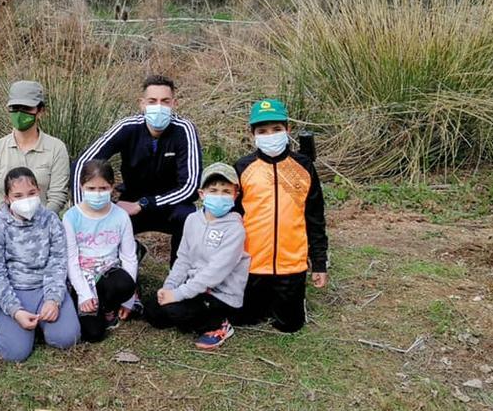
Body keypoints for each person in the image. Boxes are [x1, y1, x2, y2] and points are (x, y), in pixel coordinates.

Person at [73, 75, 201, 267]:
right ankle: (121, 275)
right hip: (130, 201)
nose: (158, 107)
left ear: (175, 103)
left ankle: (179, 282)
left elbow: (190, 186)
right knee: (105, 219)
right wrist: (82, 211)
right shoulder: (127, 127)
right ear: (142, 104)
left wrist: (144, 204)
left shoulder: (184, 130)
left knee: (191, 218)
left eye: (165, 101)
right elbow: (83, 162)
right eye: (152, 101)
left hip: (170, 204)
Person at [233, 99, 329, 333]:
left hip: (291, 265)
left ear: (287, 129)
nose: (270, 135)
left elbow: (315, 218)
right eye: (262, 131)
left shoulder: (304, 166)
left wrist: (318, 264)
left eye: (276, 129)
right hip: (251, 265)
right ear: (252, 134)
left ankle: (294, 301)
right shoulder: (243, 167)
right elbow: (232, 217)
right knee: (244, 320)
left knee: (290, 325)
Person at [144, 162, 250, 349]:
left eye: (226, 191)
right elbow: (183, 258)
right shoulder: (192, 220)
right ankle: (190, 311)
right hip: (194, 288)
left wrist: (177, 295)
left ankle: (220, 324)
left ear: (235, 195)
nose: (219, 196)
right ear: (202, 194)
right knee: (153, 310)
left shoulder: (235, 229)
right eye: (213, 190)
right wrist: (169, 287)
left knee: (175, 311)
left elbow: (215, 273)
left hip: (220, 294)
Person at [0, 167, 80, 362]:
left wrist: (53, 299)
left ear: (39, 192)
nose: (25, 200)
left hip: (44, 288)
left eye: (31, 193)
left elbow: (58, 261)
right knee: (15, 352)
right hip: (14, 290)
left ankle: (40, 326)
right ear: (7, 198)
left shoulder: (51, 219)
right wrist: (15, 311)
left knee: (67, 338)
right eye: (18, 195)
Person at [63, 159, 138, 342]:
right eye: (91, 188)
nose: (97, 194)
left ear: (112, 187)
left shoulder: (120, 216)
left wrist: (129, 298)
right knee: (93, 334)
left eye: (103, 188)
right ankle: (92, 305)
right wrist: (84, 294)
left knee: (124, 284)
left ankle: (107, 307)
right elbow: (71, 259)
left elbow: (129, 257)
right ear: (81, 187)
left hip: (109, 272)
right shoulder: (71, 217)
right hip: (82, 276)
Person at [0, 80, 70, 221]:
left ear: (40, 111)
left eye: (27, 108)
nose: (20, 114)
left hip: (45, 229)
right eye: (15, 107)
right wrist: (3, 230)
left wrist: (38, 228)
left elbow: (57, 198)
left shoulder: (56, 148)